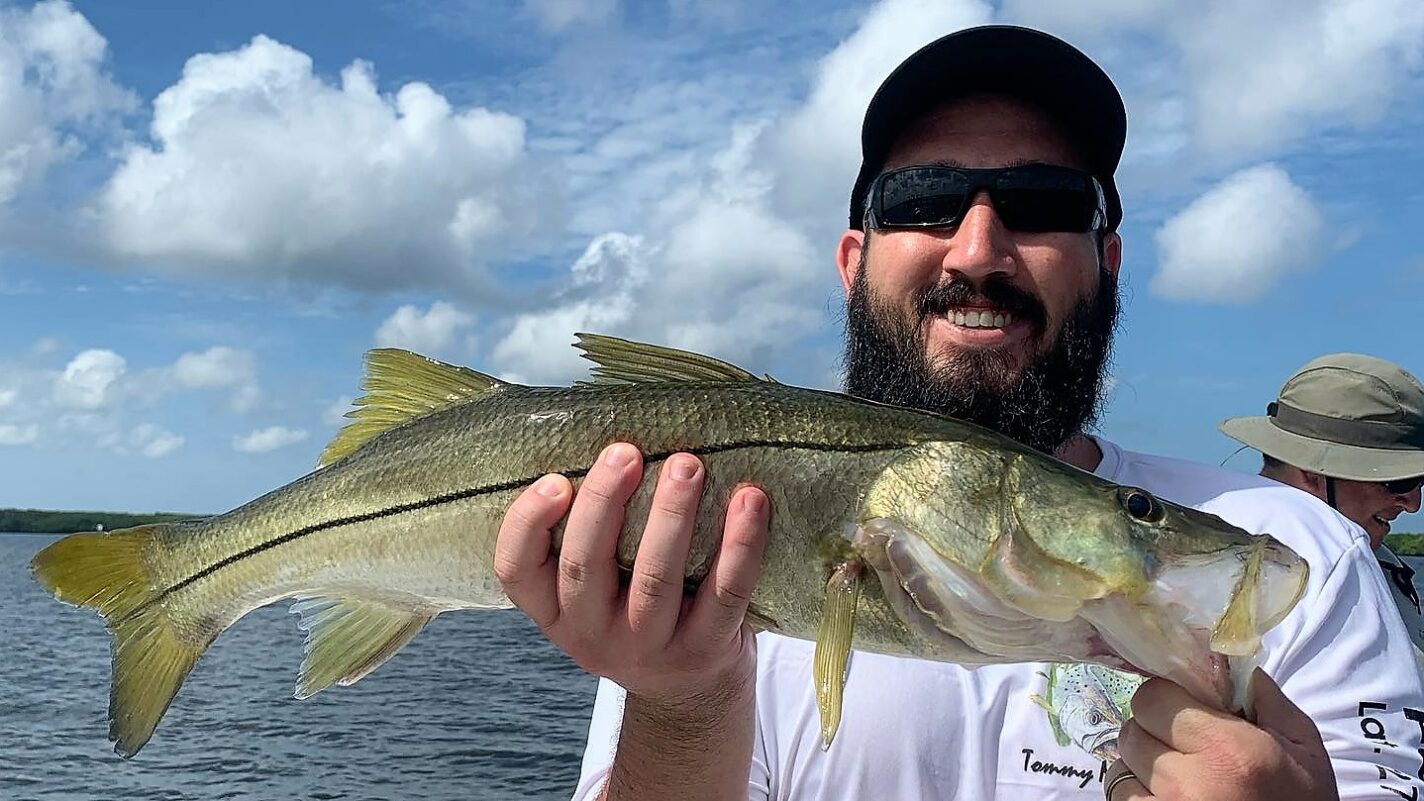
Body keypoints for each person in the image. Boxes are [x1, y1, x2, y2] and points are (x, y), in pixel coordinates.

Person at [492, 25, 1424, 801]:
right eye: (926, 201)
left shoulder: (1299, 553)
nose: (978, 248)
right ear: (853, 259)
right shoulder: (716, 543)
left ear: (1108, 259)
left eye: (1040, 203)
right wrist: (684, 703)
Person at [1220, 353, 1424, 672]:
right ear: (1312, 473)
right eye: (1399, 481)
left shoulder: (1381, 563)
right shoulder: (1218, 575)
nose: (1413, 503)